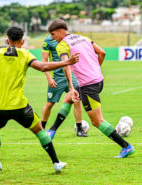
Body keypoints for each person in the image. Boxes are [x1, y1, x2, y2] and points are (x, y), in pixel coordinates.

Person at [0, 26, 79, 173]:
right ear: (22, 41)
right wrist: (66, 62)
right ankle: (56, 162)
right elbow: (43, 67)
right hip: (20, 106)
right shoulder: (25, 54)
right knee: (39, 130)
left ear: (7, 40)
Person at [48, 19, 135, 158]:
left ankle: (126, 146)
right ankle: (51, 131)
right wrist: (95, 69)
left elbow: (66, 65)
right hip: (98, 80)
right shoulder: (84, 38)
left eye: (53, 34)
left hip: (88, 85)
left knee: (97, 121)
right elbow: (102, 53)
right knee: (69, 99)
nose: (52, 38)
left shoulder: (62, 45)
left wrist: (71, 87)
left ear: (60, 31)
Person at [41, 30, 87, 139]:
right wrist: (49, 78)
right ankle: (41, 128)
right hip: (56, 77)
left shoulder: (70, 39)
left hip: (72, 75)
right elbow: (44, 60)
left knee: (77, 100)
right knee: (50, 103)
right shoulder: (48, 40)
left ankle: (79, 129)